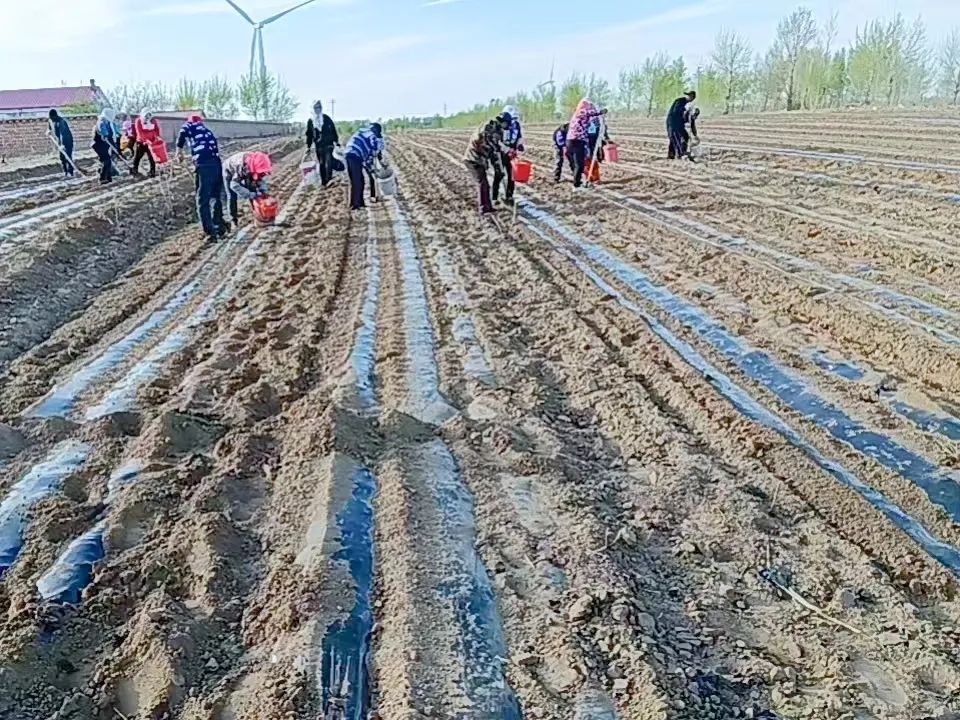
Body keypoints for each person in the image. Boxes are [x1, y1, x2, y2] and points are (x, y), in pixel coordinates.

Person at [177, 114, 228, 241]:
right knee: (215, 197)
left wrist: (179, 151)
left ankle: (210, 233)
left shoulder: (190, 126)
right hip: (216, 164)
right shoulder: (208, 131)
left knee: (202, 200)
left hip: (204, 166)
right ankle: (220, 226)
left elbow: (183, 131)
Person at [462, 115, 511, 215]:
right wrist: (497, 148)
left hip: (481, 160)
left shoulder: (498, 131)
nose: (507, 126)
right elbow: (488, 145)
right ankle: (483, 208)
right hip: (473, 159)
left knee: (485, 184)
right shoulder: (488, 127)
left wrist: (498, 168)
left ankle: (488, 207)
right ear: (502, 122)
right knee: (482, 183)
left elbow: (495, 152)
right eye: (506, 123)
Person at [222, 151, 272, 224]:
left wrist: (263, 192)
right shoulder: (241, 166)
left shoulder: (258, 163)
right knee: (231, 195)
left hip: (247, 167)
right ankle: (233, 219)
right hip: (228, 169)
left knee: (253, 188)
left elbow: (260, 179)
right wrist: (250, 194)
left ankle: (258, 214)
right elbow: (234, 185)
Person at [566, 98, 606, 188]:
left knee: (579, 164)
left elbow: (593, 118)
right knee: (579, 165)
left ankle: (578, 183)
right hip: (576, 141)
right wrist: (600, 112)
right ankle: (576, 186)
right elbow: (590, 113)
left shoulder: (581, 116)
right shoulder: (580, 113)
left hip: (576, 141)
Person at [344, 123, 385, 211]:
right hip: (355, 154)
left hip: (349, 153)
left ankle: (358, 202)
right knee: (357, 181)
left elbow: (369, 154)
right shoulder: (372, 135)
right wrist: (372, 168)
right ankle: (355, 205)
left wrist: (370, 167)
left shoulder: (364, 131)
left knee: (358, 180)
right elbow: (374, 150)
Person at [493, 105, 523, 205]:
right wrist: (506, 150)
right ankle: (494, 197)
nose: (513, 121)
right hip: (500, 154)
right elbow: (497, 141)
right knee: (499, 175)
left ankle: (509, 196)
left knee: (512, 175)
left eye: (515, 118)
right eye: (512, 118)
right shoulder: (500, 125)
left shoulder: (516, 125)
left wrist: (519, 145)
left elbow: (519, 136)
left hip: (512, 154)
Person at [305, 100, 340, 187]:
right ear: (313, 109)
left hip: (328, 143)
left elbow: (333, 129)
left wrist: (336, 140)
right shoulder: (311, 121)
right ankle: (324, 181)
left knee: (328, 160)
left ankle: (329, 179)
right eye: (316, 108)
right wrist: (308, 146)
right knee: (321, 162)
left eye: (319, 107)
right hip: (319, 145)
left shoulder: (326, 118)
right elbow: (309, 135)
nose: (318, 109)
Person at [667, 90, 697, 159]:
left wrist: (695, 133)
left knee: (684, 136)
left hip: (679, 123)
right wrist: (685, 111)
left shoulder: (689, 107)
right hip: (672, 122)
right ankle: (680, 153)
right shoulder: (680, 101)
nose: (690, 98)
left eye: (692, 96)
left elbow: (690, 121)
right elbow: (676, 112)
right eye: (689, 95)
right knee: (675, 137)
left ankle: (678, 153)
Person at [133, 109, 161, 177]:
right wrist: (144, 140)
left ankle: (152, 172)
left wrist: (157, 137)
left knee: (152, 157)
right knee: (138, 157)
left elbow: (156, 129)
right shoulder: (138, 121)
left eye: (149, 116)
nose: (148, 117)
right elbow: (139, 132)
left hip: (152, 142)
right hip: (141, 142)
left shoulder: (153, 121)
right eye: (146, 116)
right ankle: (135, 170)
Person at [48, 109, 75, 178]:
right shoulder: (51, 120)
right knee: (62, 157)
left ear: (55, 116)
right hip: (60, 141)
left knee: (68, 156)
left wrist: (63, 145)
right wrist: (49, 131)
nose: (51, 119)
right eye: (50, 118)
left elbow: (63, 134)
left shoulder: (61, 122)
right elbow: (50, 127)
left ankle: (70, 172)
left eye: (52, 118)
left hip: (67, 141)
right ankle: (65, 172)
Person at [92, 110, 116, 184]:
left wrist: (114, 146)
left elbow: (111, 135)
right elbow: (103, 131)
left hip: (104, 145)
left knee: (107, 161)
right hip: (98, 145)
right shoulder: (101, 122)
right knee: (106, 161)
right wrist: (104, 135)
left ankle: (108, 177)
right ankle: (102, 178)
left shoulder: (108, 122)